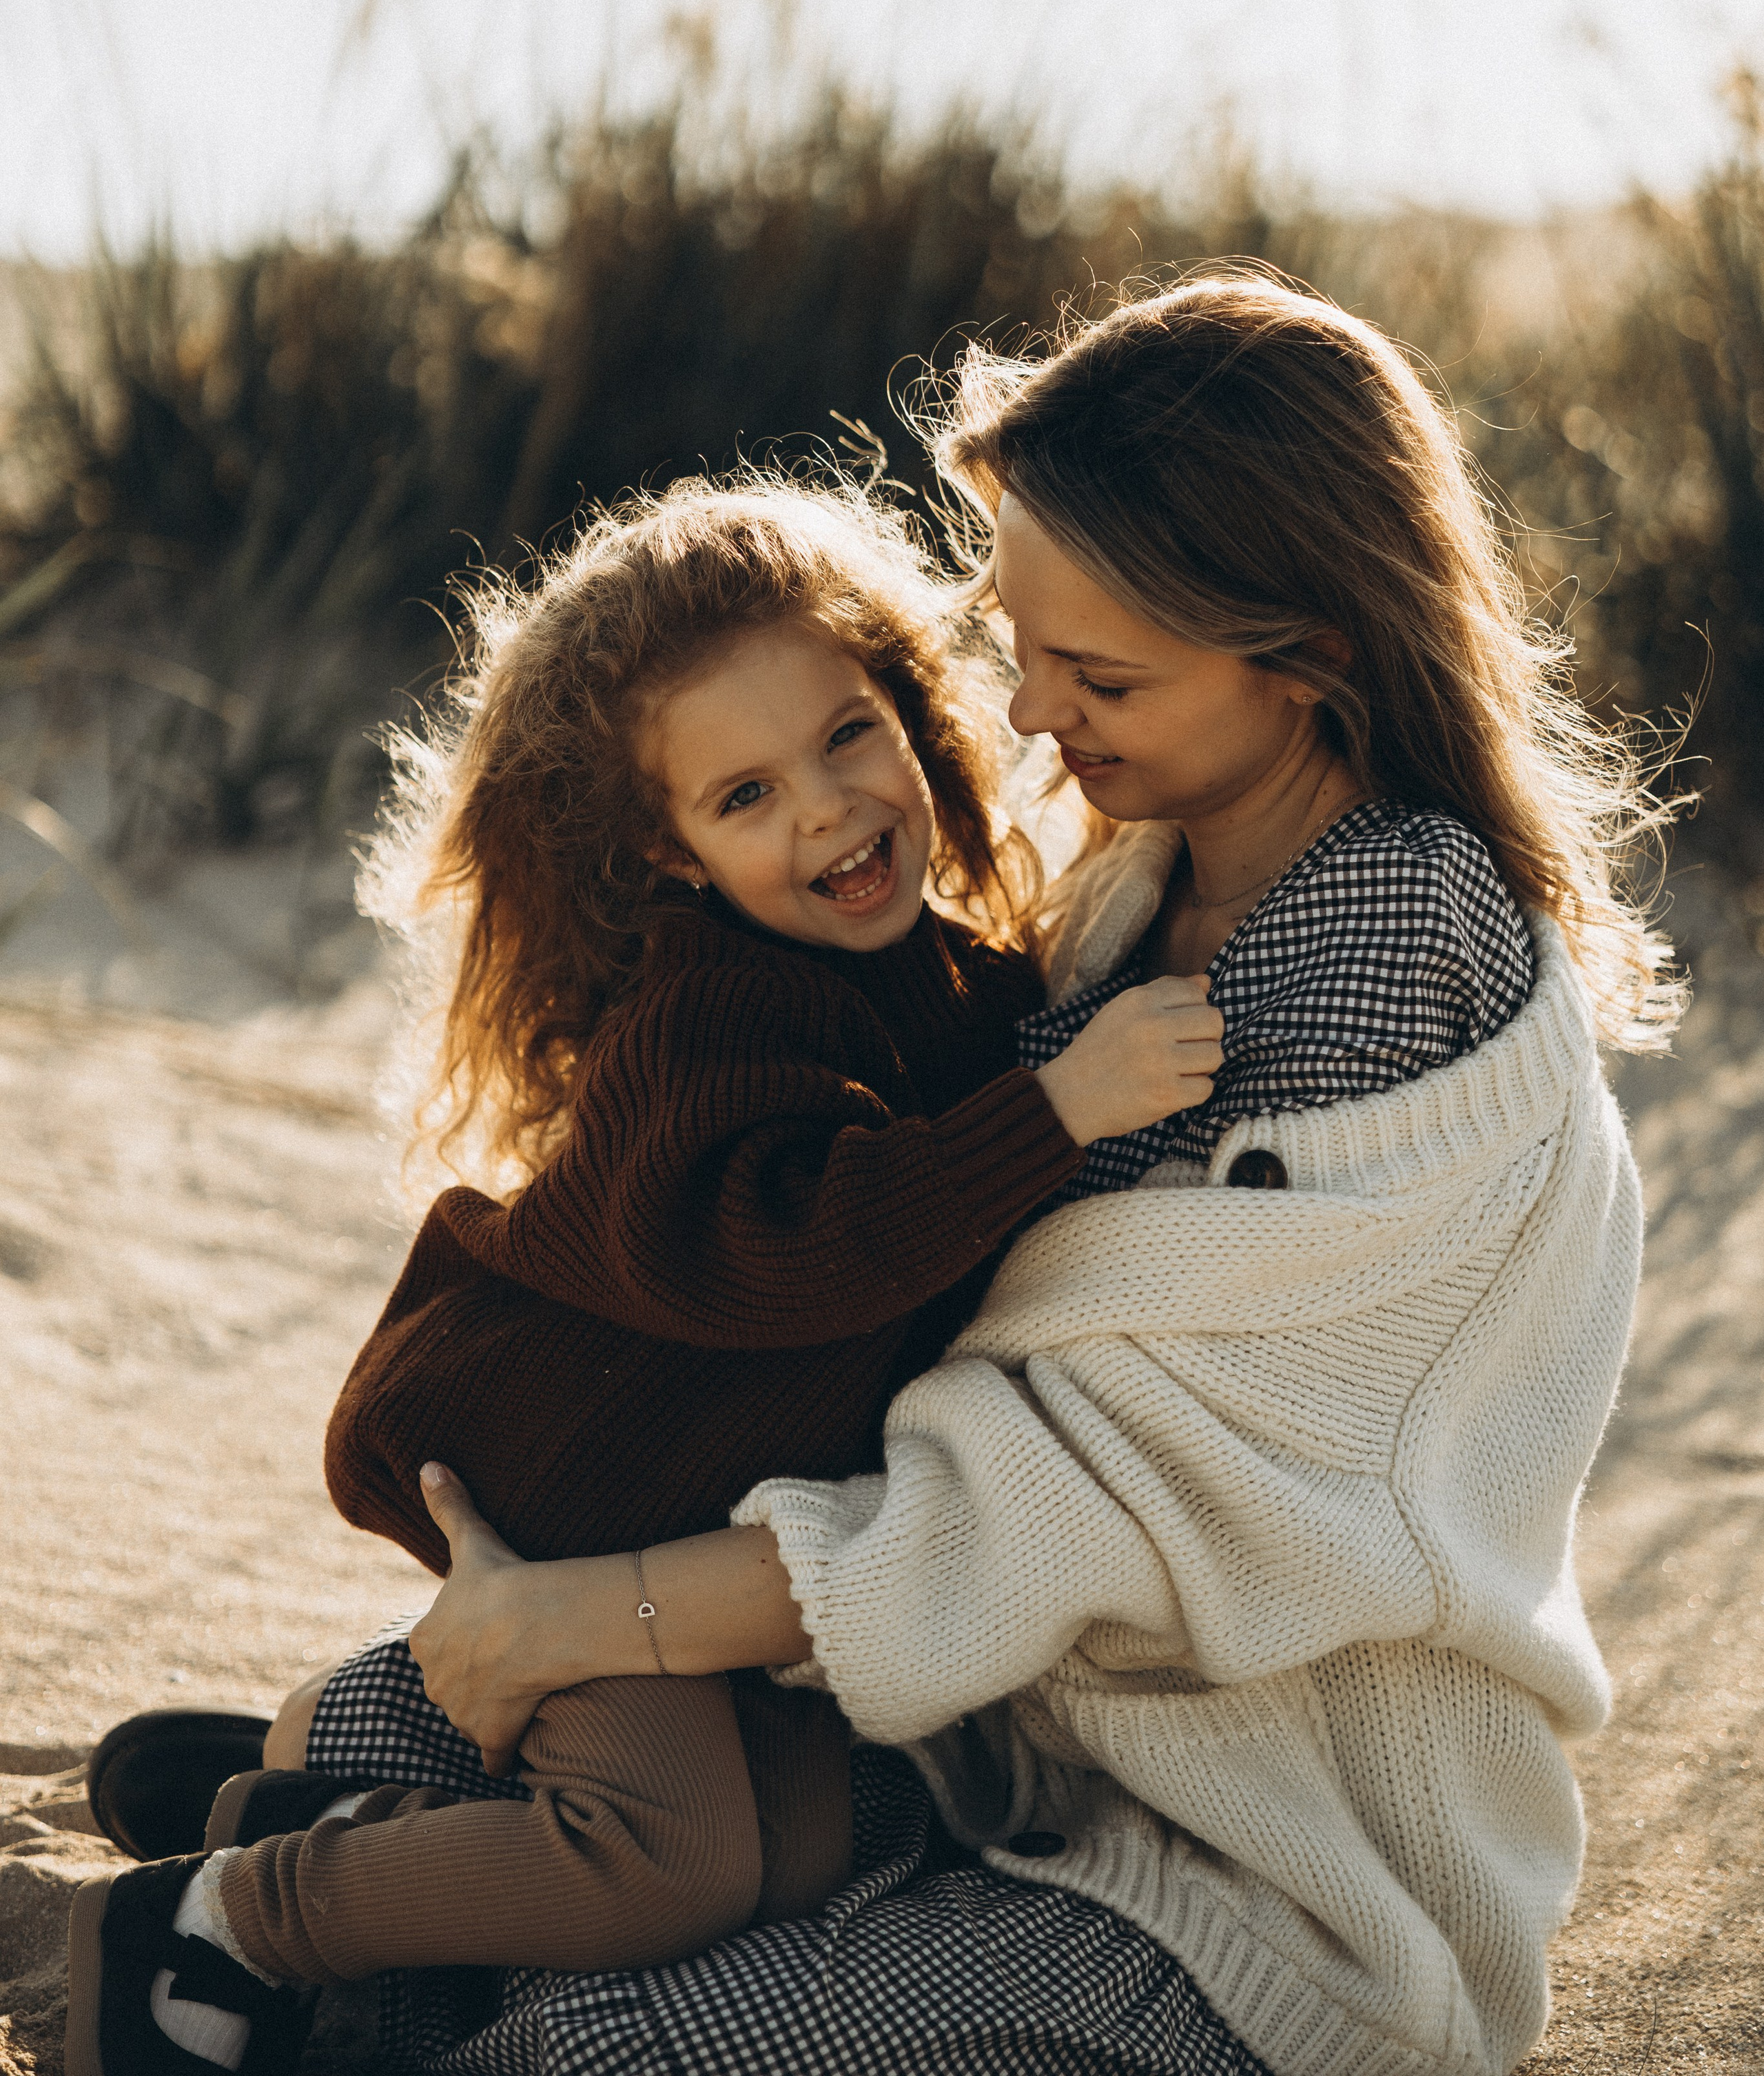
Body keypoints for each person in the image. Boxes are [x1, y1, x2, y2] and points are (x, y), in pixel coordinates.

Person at [284, 276, 1672, 2076]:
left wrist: (584, 1609)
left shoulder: (1392, 945)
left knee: (590, 2040)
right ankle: (278, 1916)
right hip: (996, 1737)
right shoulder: (1137, 888)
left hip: (1269, 1865)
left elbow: (1086, 1495)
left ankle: (303, 1945)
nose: (1025, 714)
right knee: (379, 1736)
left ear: (1309, 650)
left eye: (1096, 678)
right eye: (1019, 644)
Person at [65, 477, 1225, 2076]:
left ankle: (360, 1809)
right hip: (592, 1503)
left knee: (815, 1844)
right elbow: (784, 1256)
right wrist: (1055, 1112)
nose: (823, 810)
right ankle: (232, 1919)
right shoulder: (713, 1010)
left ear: (911, 713)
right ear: (669, 856)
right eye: (741, 796)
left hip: (708, 1523)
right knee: (665, 1862)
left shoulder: (942, 976)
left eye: (845, 736)